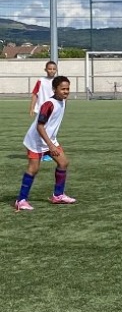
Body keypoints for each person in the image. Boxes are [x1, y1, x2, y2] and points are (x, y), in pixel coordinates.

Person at [15, 76, 77, 211]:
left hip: (50, 139)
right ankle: (21, 200)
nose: (66, 91)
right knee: (33, 169)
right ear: (55, 89)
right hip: (36, 140)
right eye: (63, 89)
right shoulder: (48, 104)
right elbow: (40, 126)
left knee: (63, 163)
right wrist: (50, 145)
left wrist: (51, 142)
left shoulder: (63, 101)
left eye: (67, 89)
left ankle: (58, 195)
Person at [28, 60, 59, 162]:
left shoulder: (57, 82)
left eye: (54, 69)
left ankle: (47, 153)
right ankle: (40, 152)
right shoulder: (41, 81)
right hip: (41, 110)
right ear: (45, 69)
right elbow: (35, 94)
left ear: (56, 70)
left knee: (49, 132)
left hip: (52, 110)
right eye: (49, 69)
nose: (52, 71)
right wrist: (32, 108)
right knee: (40, 131)